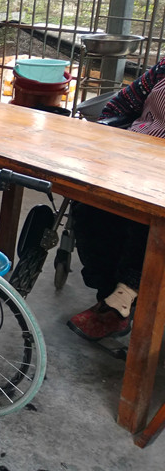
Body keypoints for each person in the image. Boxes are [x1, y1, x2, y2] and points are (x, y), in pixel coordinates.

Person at [67, 57, 165, 341]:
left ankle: (125, 297)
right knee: (88, 204)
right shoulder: (162, 68)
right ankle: (109, 294)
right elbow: (119, 105)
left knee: (145, 221)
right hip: (134, 155)